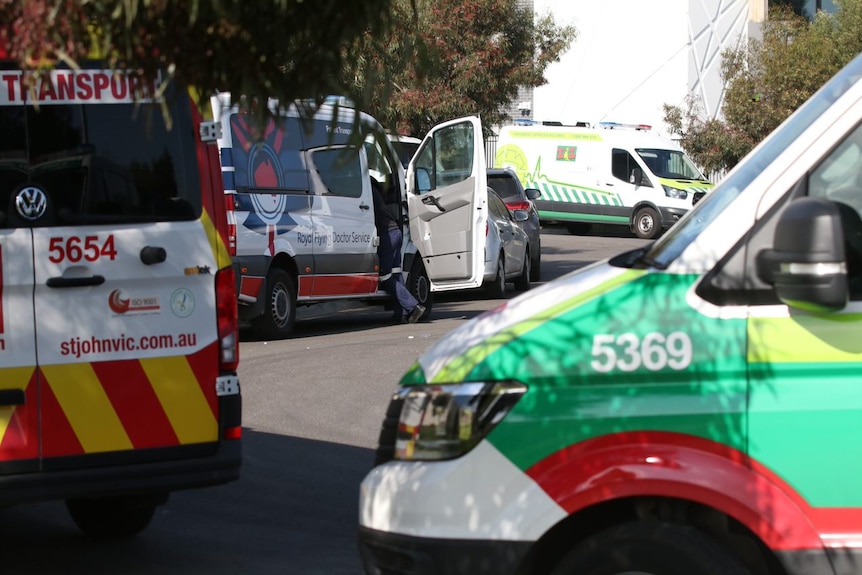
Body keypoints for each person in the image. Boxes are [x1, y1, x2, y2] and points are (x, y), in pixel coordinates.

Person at [371, 178, 426, 324]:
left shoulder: (367, 191)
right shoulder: (375, 191)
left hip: (386, 235)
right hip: (396, 232)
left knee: (385, 277)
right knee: (396, 275)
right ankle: (401, 313)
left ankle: (413, 306)